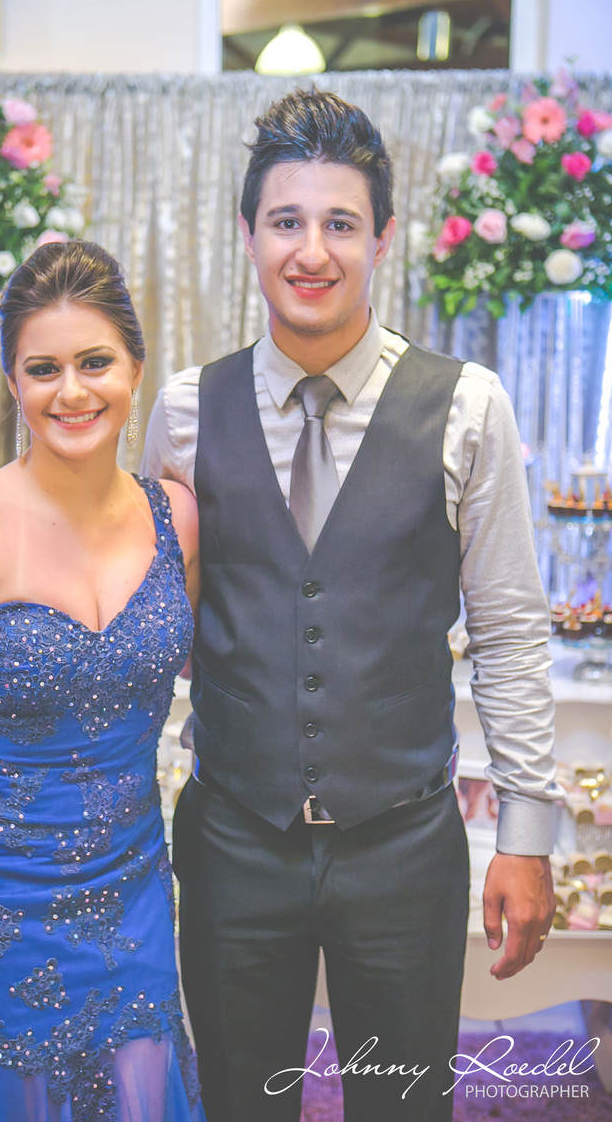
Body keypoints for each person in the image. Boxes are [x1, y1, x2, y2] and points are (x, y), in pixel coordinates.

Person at [140, 88, 558, 1122]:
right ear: (247, 235)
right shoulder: (185, 412)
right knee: (239, 1103)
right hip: (233, 840)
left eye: (339, 223)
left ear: (381, 238)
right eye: (286, 221)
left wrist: (526, 834)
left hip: (404, 846)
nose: (311, 250)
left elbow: (509, 629)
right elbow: (156, 622)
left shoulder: (467, 407)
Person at [0, 240, 205, 1122]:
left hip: (132, 889)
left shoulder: (177, 518)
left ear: (136, 368)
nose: (72, 391)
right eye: (43, 369)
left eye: (95, 362)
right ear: (13, 383)